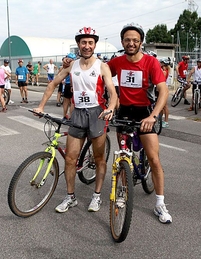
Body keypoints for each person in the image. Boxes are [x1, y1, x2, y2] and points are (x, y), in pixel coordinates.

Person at [33, 26, 117, 213]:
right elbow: (53, 84)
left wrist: (110, 108)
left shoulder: (102, 66)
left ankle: (96, 196)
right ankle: (70, 197)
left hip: (97, 113)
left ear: (94, 44)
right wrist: (40, 106)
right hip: (78, 113)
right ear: (78, 44)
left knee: (99, 158)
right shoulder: (72, 65)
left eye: (90, 42)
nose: (87, 46)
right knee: (70, 159)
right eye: (83, 42)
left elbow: (112, 92)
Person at [106, 22, 172, 224]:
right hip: (124, 112)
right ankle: (123, 192)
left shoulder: (151, 62)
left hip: (145, 112)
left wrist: (153, 116)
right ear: (122, 42)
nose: (131, 43)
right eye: (127, 40)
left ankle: (160, 204)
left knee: (154, 158)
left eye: (135, 40)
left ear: (141, 42)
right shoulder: (116, 62)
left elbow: (163, 90)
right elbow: (98, 72)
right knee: (124, 155)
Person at [160, 58, 171, 128]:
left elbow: (161, 79)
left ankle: (166, 121)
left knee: (164, 106)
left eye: (161, 63)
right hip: (162, 89)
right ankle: (161, 120)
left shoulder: (164, 71)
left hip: (163, 89)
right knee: (161, 106)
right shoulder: (165, 70)